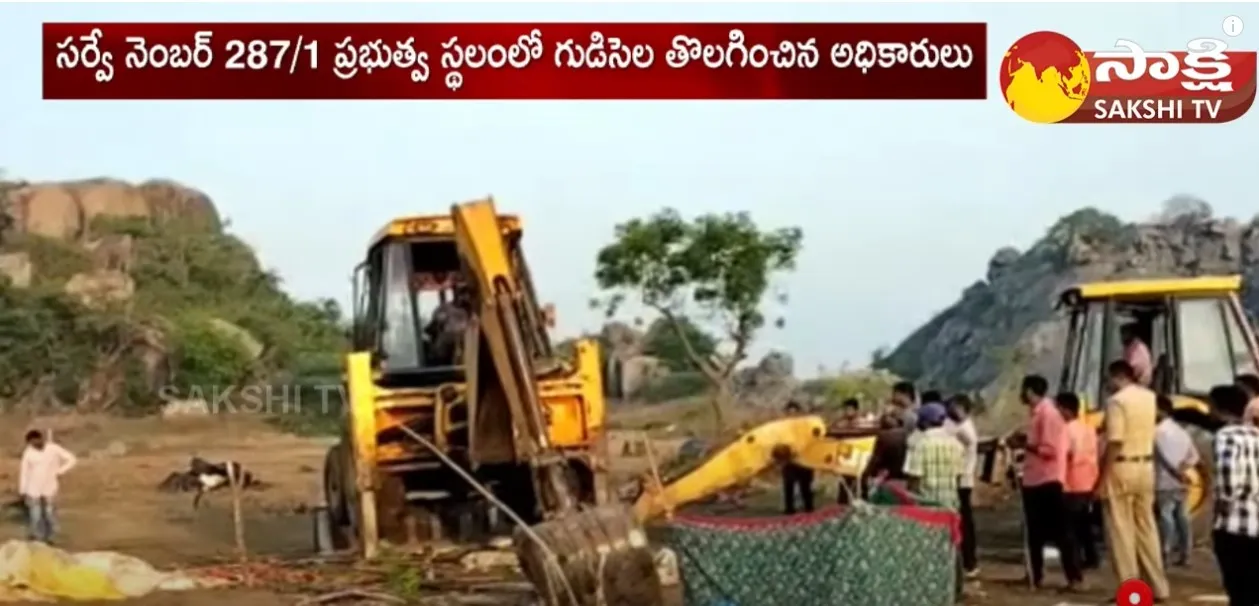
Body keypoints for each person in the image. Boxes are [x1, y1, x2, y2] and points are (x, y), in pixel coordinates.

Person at [1097, 360, 1169, 601]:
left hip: (1122, 467)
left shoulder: (1117, 401)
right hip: (1146, 466)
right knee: (1147, 529)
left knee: (1121, 531)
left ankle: (1131, 590)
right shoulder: (1149, 397)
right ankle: (1158, 586)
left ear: (1116, 376)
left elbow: (1115, 441)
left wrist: (1102, 479)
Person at [1019, 374, 1083, 591]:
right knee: (1034, 531)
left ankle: (1073, 576)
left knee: (1060, 531)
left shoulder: (1048, 415)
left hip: (1047, 479)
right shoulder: (1037, 414)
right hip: (1035, 478)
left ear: (1029, 391)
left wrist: (1025, 445)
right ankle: (1035, 574)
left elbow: (1050, 450)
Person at [1206, 384, 1259, 606]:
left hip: (1234, 524)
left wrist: (1224, 502)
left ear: (1218, 408)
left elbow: (1227, 476)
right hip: (1256, 520)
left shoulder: (1225, 435)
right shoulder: (1256, 435)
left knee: (1237, 588)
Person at [1154, 394, 1199, 567]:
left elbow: (1162, 458)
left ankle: (1165, 552)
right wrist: (1182, 469)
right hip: (1182, 481)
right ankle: (1186, 554)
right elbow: (1194, 456)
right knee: (1183, 517)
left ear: (1161, 411)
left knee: (1166, 517)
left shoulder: (1157, 432)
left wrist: (1175, 472)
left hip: (1165, 480)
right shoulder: (1182, 432)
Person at [1058, 392, 1101, 570]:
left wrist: (1059, 482)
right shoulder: (1089, 429)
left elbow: (1063, 457)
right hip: (1089, 480)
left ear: (1066, 410)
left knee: (1070, 528)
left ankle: (1075, 562)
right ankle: (1092, 557)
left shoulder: (1065, 430)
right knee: (1085, 524)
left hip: (1071, 482)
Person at [18, 429, 77, 544]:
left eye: (35, 442)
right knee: (36, 515)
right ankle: (38, 537)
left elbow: (72, 459)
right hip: (33, 488)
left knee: (50, 513)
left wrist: (60, 471)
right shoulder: (28, 453)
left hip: (50, 487)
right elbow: (24, 472)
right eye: (31, 444)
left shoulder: (53, 449)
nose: (34, 445)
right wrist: (23, 490)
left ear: (41, 439)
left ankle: (51, 537)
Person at [904, 402, 964, 508]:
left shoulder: (921, 444)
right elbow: (958, 477)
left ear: (925, 422)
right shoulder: (957, 445)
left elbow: (914, 479)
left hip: (927, 505)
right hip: (951, 505)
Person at [947, 394, 980, 578]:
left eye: (955, 408)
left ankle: (969, 562)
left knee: (964, 522)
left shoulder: (964, 430)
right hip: (961, 479)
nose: (952, 411)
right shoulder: (960, 426)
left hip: (962, 480)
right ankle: (966, 561)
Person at [860, 411, 910, 496]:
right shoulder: (907, 434)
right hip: (905, 478)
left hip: (888, 479)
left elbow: (875, 460)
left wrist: (864, 478)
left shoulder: (883, 436)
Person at [780, 401, 814, 514]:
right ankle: (789, 510)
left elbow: (812, 440)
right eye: (789, 413)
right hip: (789, 462)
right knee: (788, 486)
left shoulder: (806, 426)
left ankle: (809, 509)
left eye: (794, 412)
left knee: (806, 487)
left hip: (805, 461)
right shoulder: (781, 428)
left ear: (798, 413)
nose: (792, 415)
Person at [1121, 322, 1153, 387]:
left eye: (1125, 333)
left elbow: (1137, 366)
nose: (1122, 336)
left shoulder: (1138, 347)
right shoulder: (1128, 347)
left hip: (1140, 382)